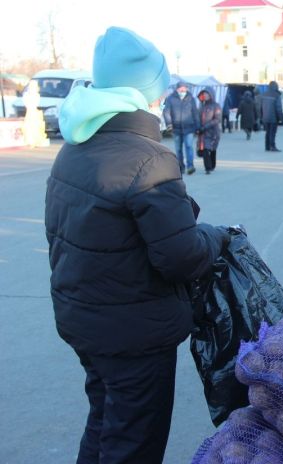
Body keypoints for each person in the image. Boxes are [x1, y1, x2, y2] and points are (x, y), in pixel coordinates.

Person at [47, 26, 228, 463]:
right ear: (147, 92)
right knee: (133, 444)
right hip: (134, 330)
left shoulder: (74, 146)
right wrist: (216, 237)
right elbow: (181, 257)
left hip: (85, 320)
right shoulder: (148, 158)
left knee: (105, 422)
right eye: (160, 92)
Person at [163, 81, 199, 174]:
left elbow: (195, 112)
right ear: (177, 89)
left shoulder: (191, 98)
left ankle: (190, 166)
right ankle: (181, 167)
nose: (183, 90)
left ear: (187, 89)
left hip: (189, 128)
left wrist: (197, 126)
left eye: (184, 88)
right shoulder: (171, 98)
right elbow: (166, 112)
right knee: (178, 149)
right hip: (176, 129)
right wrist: (169, 124)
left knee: (189, 146)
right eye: (181, 88)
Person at [197, 88, 222, 174]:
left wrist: (205, 126)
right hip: (203, 132)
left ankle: (212, 165)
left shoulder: (216, 106)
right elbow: (198, 118)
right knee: (205, 149)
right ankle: (207, 168)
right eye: (204, 94)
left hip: (213, 132)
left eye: (207, 94)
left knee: (212, 149)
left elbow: (217, 119)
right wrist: (197, 127)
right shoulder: (202, 106)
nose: (205, 96)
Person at [260, 81, 282, 152]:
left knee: (267, 132)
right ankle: (272, 146)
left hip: (265, 117)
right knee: (273, 132)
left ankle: (267, 146)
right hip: (273, 117)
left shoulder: (264, 94)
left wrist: (261, 116)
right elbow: (278, 108)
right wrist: (280, 117)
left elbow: (260, 107)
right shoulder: (276, 95)